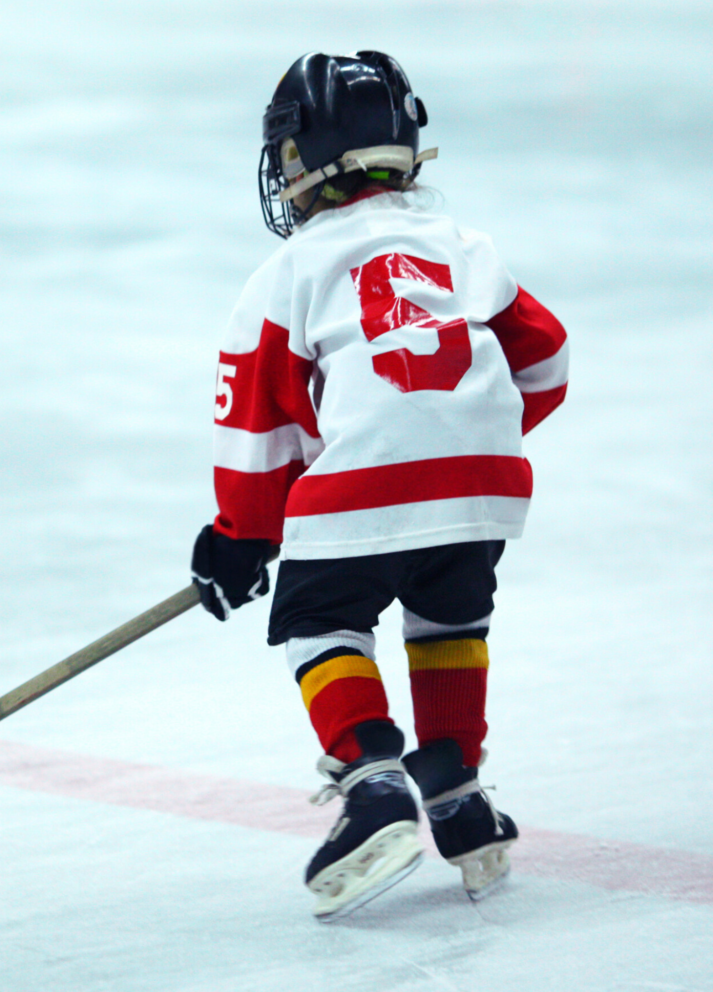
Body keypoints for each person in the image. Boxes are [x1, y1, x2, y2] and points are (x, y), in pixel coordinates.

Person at [191, 51, 568, 921]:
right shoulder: (462, 247)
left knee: (321, 619)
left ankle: (372, 786)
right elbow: (545, 358)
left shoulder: (289, 273)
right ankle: (456, 791)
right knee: (449, 614)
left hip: (364, 486)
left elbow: (256, 424)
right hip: (480, 487)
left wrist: (241, 536)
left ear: (304, 161)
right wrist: (470, 433)